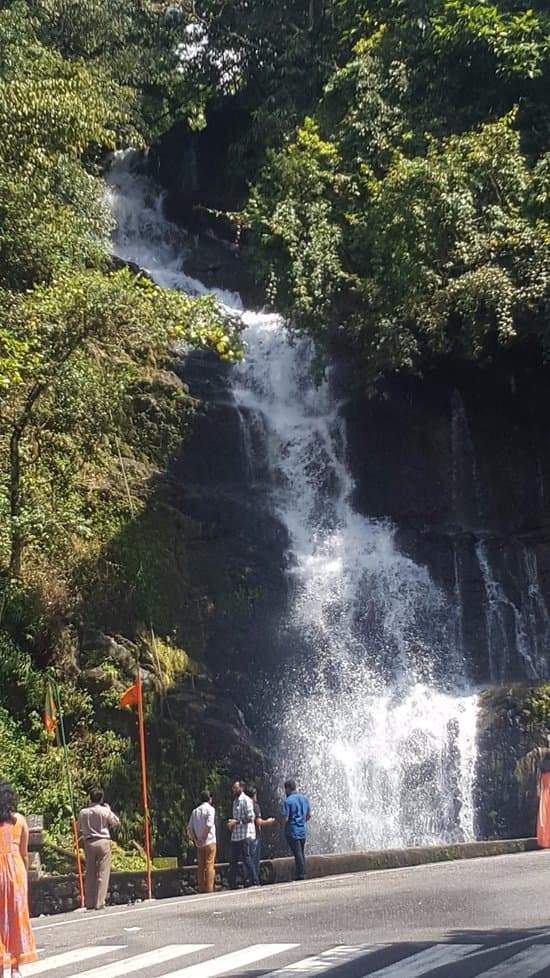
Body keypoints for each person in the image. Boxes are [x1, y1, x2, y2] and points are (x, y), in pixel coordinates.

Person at [0, 780, 37, 978]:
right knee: (16, 916)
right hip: (16, 870)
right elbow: (24, 852)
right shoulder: (20, 820)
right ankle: (15, 968)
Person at [77, 787, 120, 910]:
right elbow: (116, 822)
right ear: (101, 798)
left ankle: (89, 902)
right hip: (103, 841)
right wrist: (109, 810)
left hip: (89, 842)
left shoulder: (83, 812)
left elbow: (79, 828)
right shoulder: (104, 811)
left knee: (90, 872)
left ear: (90, 798)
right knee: (103, 872)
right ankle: (100, 902)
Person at [227, 781, 258, 888]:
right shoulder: (235, 801)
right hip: (236, 835)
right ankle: (232, 884)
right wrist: (232, 823)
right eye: (233, 788)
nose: (234, 790)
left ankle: (254, 880)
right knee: (233, 860)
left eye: (236, 788)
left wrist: (237, 822)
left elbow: (251, 817)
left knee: (246, 858)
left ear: (241, 788)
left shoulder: (246, 800)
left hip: (244, 835)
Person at [187, 790, 217, 893]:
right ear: (210, 799)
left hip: (199, 843)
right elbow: (209, 825)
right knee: (209, 865)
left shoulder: (195, 811)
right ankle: (209, 888)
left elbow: (190, 828)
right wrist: (204, 837)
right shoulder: (210, 809)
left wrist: (196, 839)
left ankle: (201, 887)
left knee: (201, 866)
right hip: (209, 841)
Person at [281, 778, 311, 881]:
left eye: (285, 789)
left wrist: (278, 822)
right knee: (301, 852)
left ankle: (301, 874)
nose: (285, 792)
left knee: (297, 853)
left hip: (292, 831)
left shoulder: (288, 801)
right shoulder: (304, 799)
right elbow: (309, 815)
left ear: (288, 789)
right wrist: (302, 821)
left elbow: (285, 818)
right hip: (302, 830)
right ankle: (301, 872)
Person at [247, 786, 276, 885]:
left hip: (246, 836)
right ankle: (254, 880)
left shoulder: (243, 805)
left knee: (248, 858)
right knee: (254, 858)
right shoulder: (254, 806)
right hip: (255, 836)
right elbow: (259, 822)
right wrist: (269, 821)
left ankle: (248, 879)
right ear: (254, 795)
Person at [536, 752, 550, 848]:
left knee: (544, 818)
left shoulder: (543, 766)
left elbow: (539, 781)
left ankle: (545, 839)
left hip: (545, 793)